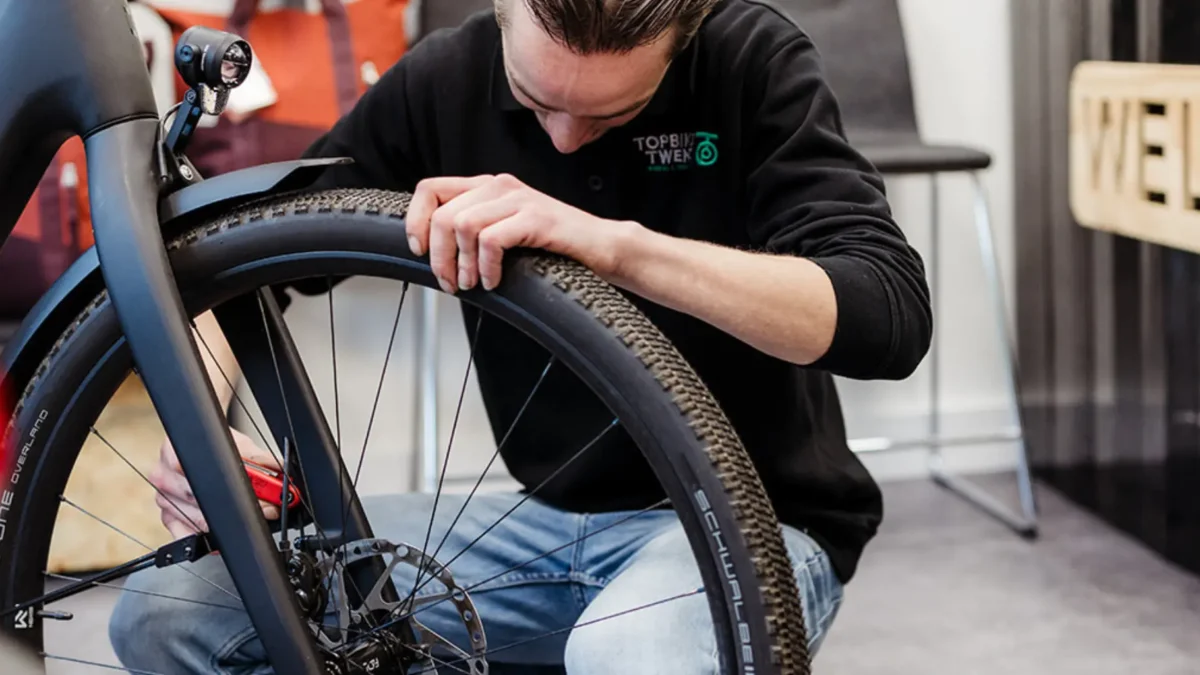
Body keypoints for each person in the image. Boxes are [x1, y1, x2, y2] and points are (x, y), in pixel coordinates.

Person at [109, 0, 932, 673]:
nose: (566, 139)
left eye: (616, 112)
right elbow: (253, 264)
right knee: (172, 613)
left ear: (684, 43)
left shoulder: (752, 59)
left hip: (757, 525)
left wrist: (614, 244)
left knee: (627, 651)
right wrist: (202, 428)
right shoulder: (444, 77)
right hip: (549, 523)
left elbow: (886, 314)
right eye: (538, 105)